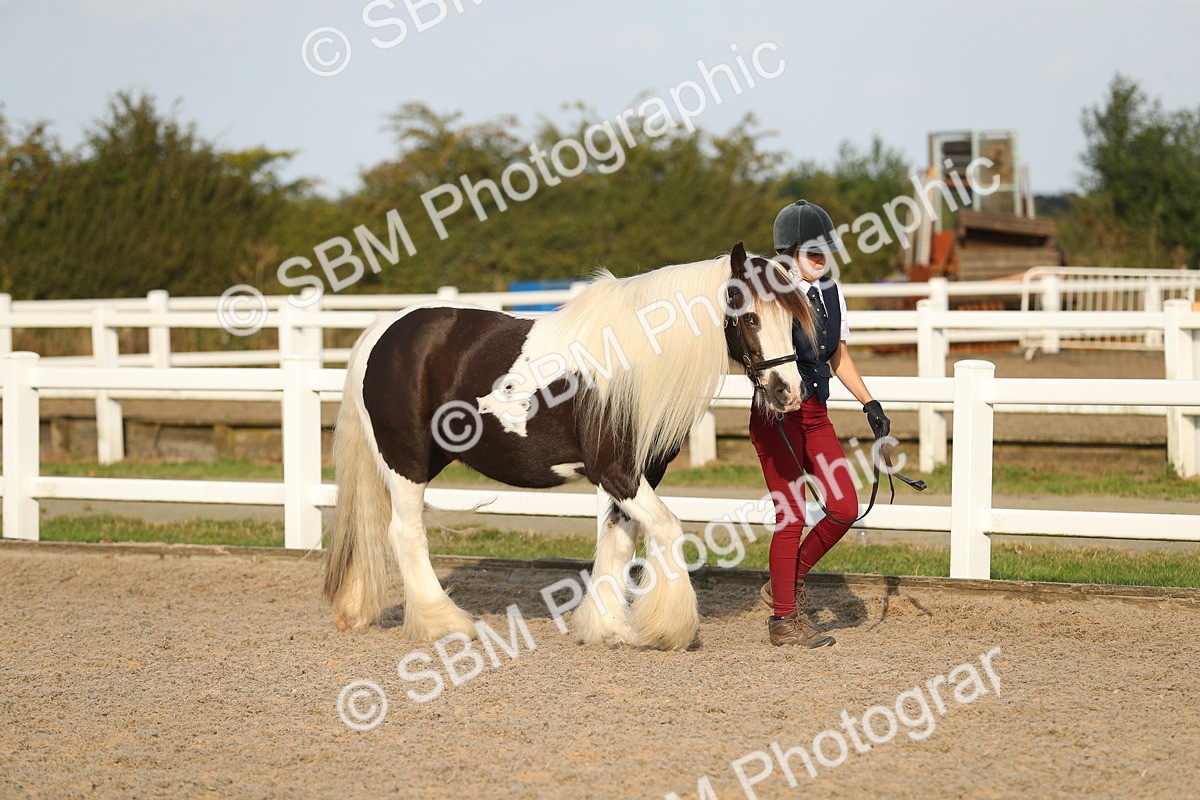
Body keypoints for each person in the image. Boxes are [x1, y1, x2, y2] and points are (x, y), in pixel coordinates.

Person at [752, 199, 891, 648]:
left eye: (824, 251)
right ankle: (784, 620)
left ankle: (785, 583)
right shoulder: (768, 293)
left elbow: (838, 356)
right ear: (788, 252)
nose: (821, 260)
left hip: (816, 415)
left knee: (845, 507)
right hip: (778, 416)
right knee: (791, 514)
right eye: (813, 252)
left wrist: (869, 402)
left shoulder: (830, 290)